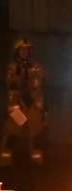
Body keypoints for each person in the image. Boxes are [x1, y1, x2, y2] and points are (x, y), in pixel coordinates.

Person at [5, 38, 45, 166]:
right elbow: (11, 84)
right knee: (13, 130)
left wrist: (33, 98)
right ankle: (6, 156)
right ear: (17, 52)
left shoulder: (36, 67)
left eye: (27, 50)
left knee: (35, 130)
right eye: (22, 50)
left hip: (32, 104)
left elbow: (39, 83)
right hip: (17, 105)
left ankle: (36, 157)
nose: (24, 52)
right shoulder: (12, 67)